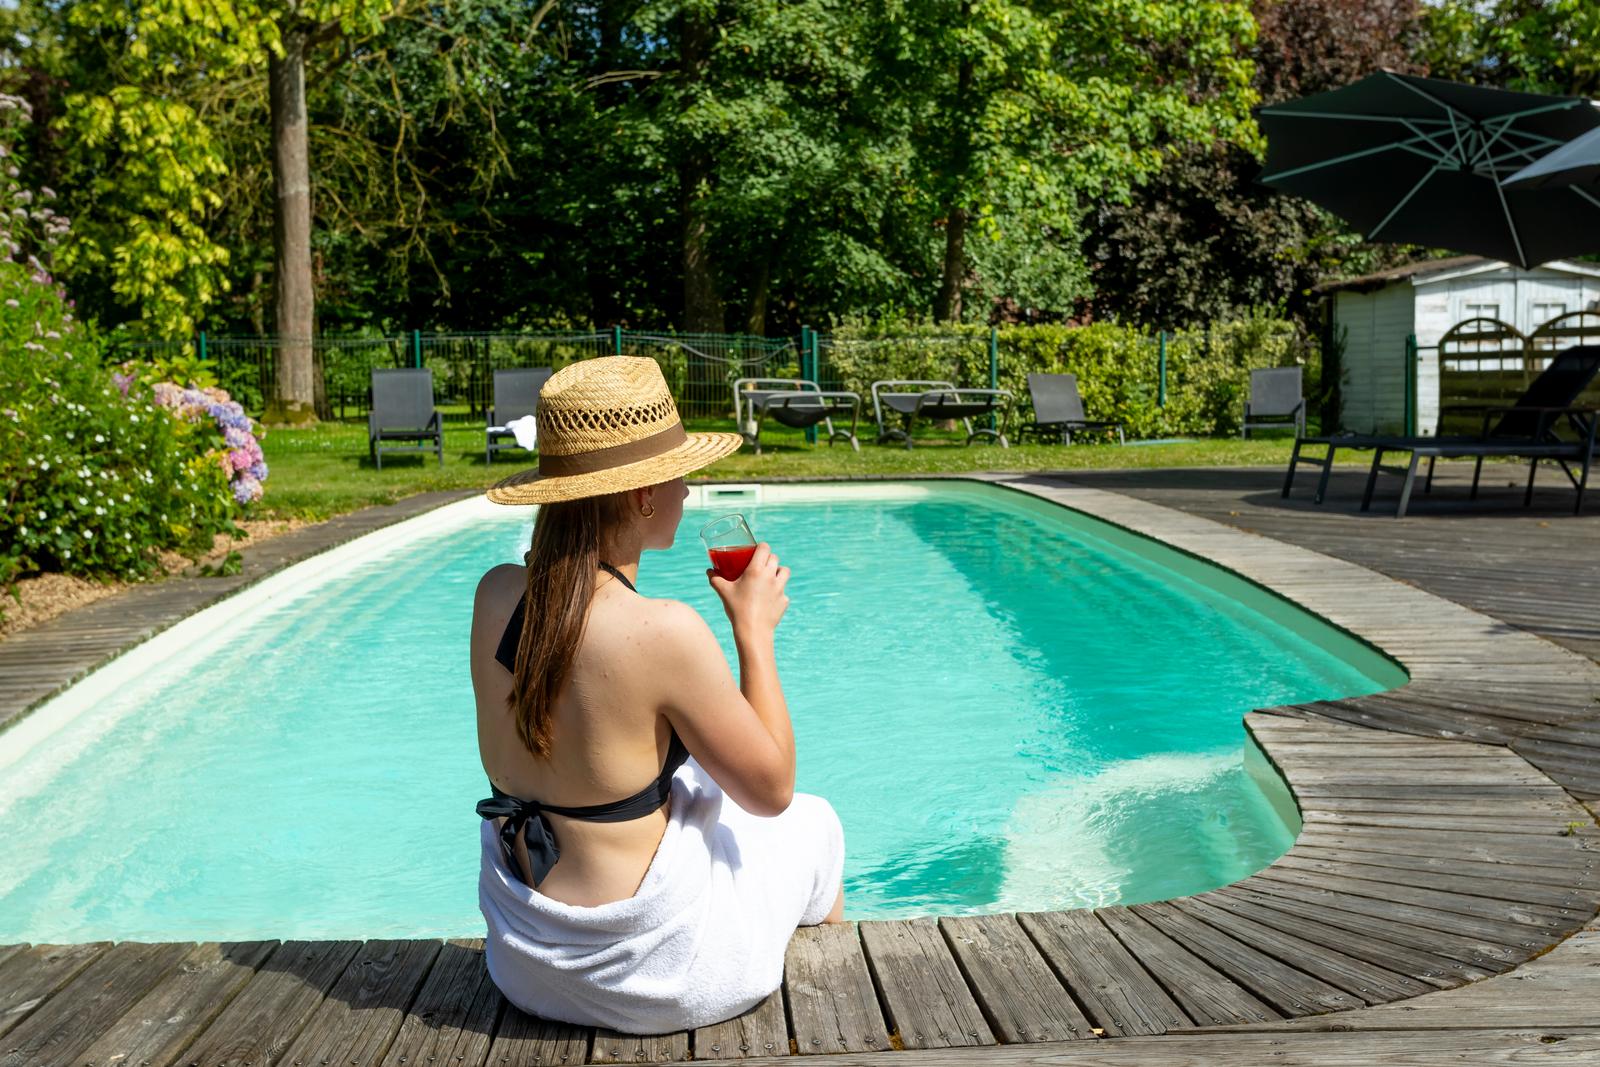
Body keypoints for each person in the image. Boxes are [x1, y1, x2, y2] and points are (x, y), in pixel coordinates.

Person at [471, 356, 846, 1035]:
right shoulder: (661, 630)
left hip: (525, 956)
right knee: (816, 824)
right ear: (643, 495)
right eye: (681, 474)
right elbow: (771, 790)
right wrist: (752, 632)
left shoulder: (496, 594)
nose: (688, 491)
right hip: (649, 974)